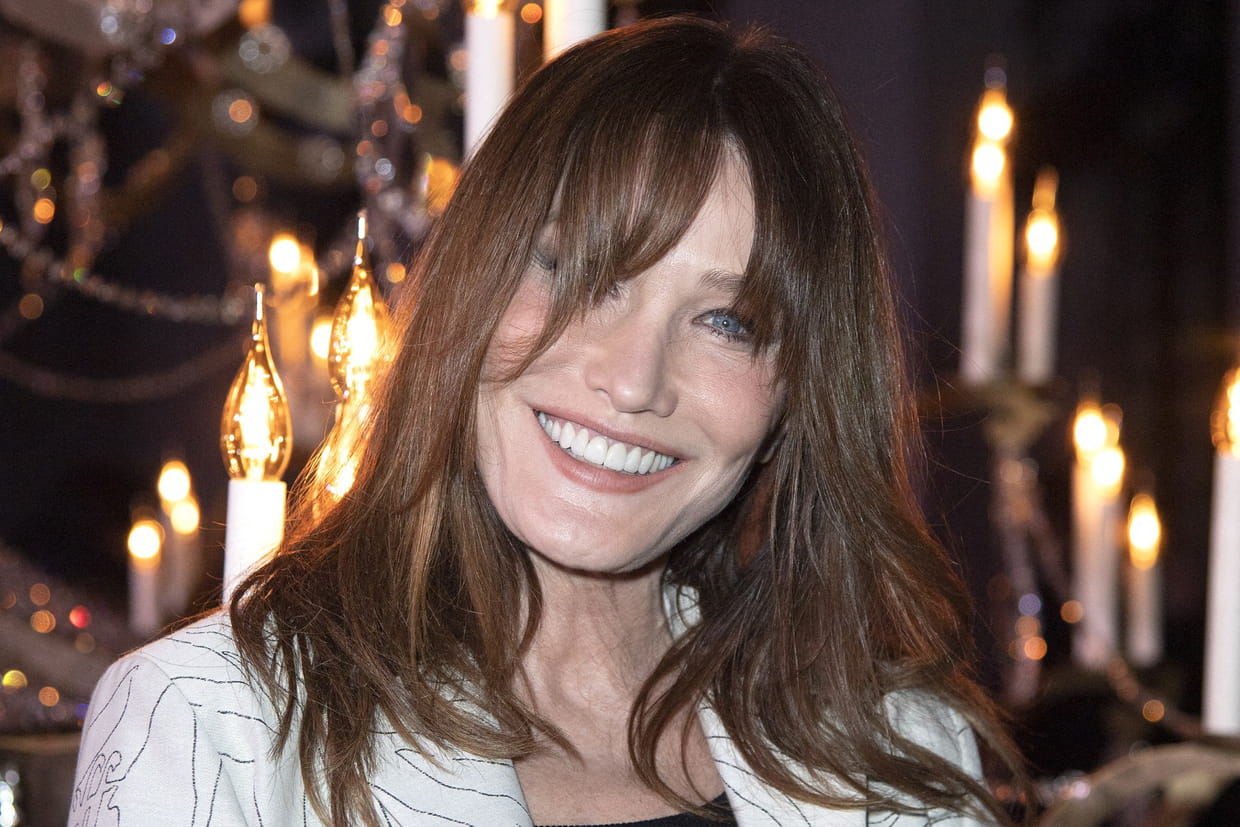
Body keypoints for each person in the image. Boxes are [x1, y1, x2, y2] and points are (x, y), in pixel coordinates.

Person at [68, 15, 1023, 826]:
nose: (633, 380)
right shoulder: (211, 722)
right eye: (578, 270)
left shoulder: (899, 755)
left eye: (729, 322)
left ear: (796, 396)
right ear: (469, 280)